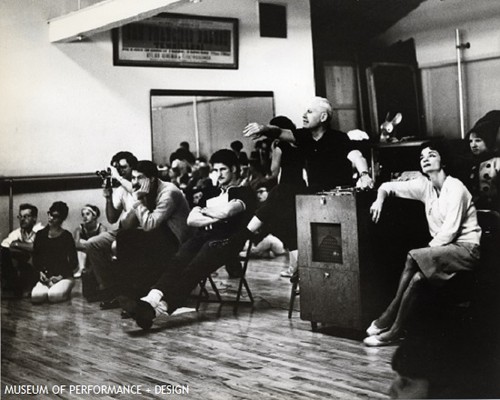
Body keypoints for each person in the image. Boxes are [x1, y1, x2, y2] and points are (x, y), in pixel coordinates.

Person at [120, 149, 257, 329]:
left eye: (223, 169)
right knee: (179, 258)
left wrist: (206, 213)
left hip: (228, 240)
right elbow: (192, 219)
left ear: (234, 169)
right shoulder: (210, 191)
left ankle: (158, 309)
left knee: (195, 267)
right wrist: (217, 216)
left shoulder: (244, 192)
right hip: (205, 235)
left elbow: (229, 211)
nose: (218, 174)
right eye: (215, 170)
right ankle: (150, 300)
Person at [363, 141, 481, 346]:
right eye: (422, 156)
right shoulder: (425, 186)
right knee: (418, 279)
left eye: (432, 155)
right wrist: (378, 200)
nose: (425, 159)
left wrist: (423, 254)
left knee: (412, 256)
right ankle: (396, 330)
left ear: (443, 160)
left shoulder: (456, 187)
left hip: (467, 250)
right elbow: (387, 187)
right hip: (445, 250)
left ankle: (388, 316)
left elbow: (450, 232)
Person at [98, 160, 192, 308]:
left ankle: (137, 297)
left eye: (138, 178)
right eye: (133, 178)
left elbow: (150, 225)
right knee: (124, 237)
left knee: (141, 243)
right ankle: (126, 294)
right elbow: (130, 222)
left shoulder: (169, 192)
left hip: (177, 239)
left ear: (152, 179)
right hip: (160, 234)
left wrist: (137, 201)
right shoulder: (145, 187)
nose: (135, 182)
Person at [85, 151, 137, 302]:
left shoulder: (139, 183)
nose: (120, 171)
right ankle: (107, 287)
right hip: (123, 230)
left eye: (123, 167)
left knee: (118, 246)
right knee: (92, 244)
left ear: (133, 167)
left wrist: (118, 177)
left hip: (140, 231)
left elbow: (136, 191)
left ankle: (124, 291)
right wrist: (108, 197)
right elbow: (112, 218)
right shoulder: (121, 190)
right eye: (117, 168)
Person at [31, 202, 78, 304]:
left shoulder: (67, 236)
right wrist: (40, 272)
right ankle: (52, 289)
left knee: (53, 296)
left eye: (55, 216)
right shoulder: (40, 235)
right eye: (50, 214)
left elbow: (74, 262)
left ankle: (64, 289)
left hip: (63, 275)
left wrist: (60, 276)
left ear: (62, 219)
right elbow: (36, 259)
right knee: (36, 297)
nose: (51, 218)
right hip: (47, 276)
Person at [465, 111, 500, 234]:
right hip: (478, 213)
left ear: (489, 141)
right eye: (470, 141)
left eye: (478, 140)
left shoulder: (497, 163)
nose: (473, 145)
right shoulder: (472, 164)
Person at [1, 203, 43, 297]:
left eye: (26, 216)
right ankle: (12, 287)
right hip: (22, 269)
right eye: (20, 216)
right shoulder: (16, 233)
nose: (22, 219)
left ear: (34, 218)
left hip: (38, 270)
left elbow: (37, 248)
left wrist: (17, 244)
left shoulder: (41, 231)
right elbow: (5, 246)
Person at [73, 204, 107, 278]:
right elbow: (76, 244)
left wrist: (89, 244)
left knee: (87, 242)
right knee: (81, 241)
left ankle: (96, 271)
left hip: (97, 253)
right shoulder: (80, 228)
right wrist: (89, 245)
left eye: (88, 214)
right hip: (85, 253)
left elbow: (102, 243)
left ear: (94, 216)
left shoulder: (101, 228)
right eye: (83, 214)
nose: (84, 217)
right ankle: (82, 269)